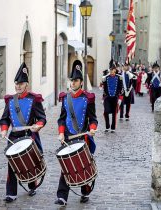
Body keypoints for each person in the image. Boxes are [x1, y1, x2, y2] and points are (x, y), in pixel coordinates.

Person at [0, 62, 47, 203]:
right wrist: (3, 130)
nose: (18, 86)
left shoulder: (34, 99)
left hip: (28, 135)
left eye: (21, 83)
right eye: (16, 83)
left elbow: (42, 118)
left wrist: (38, 125)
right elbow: (4, 119)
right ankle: (11, 193)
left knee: (30, 162)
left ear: (26, 84)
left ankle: (32, 185)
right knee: (12, 163)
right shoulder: (10, 100)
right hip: (14, 136)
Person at [55, 60, 98, 206]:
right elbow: (61, 119)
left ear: (81, 82)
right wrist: (61, 133)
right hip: (68, 136)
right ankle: (62, 196)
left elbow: (93, 119)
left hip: (83, 137)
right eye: (72, 80)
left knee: (83, 165)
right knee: (66, 166)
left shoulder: (88, 98)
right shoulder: (65, 98)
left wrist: (92, 128)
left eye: (76, 80)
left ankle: (85, 191)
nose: (73, 83)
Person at [102, 60, 124, 132]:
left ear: (115, 70)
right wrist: (103, 98)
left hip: (115, 97)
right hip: (107, 97)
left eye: (113, 70)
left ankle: (113, 127)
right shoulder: (105, 78)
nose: (112, 71)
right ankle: (107, 126)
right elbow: (104, 89)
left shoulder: (119, 78)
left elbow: (121, 89)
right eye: (110, 70)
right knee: (106, 112)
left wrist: (120, 98)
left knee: (114, 113)